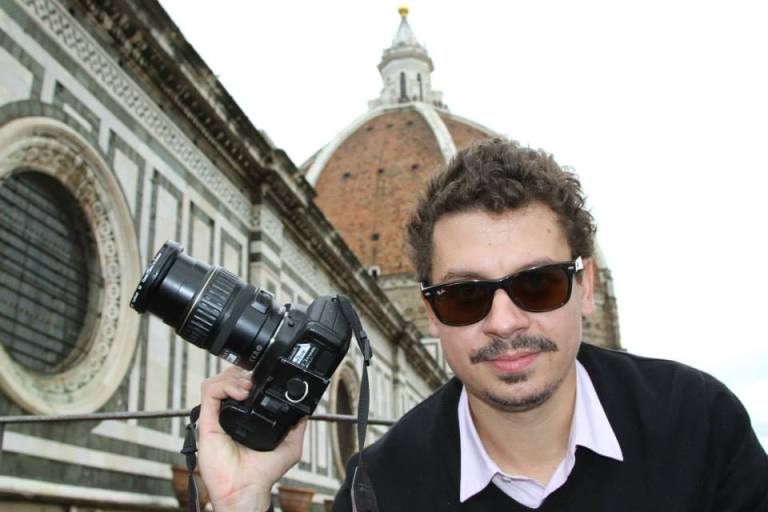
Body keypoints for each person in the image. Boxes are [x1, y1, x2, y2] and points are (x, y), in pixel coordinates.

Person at [198, 138, 768, 511]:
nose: (504, 321)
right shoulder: (380, 487)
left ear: (586, 287)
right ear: (431, 313)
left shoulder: (697, 423)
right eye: (465, 295)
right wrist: (242, 501)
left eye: (537, 284)